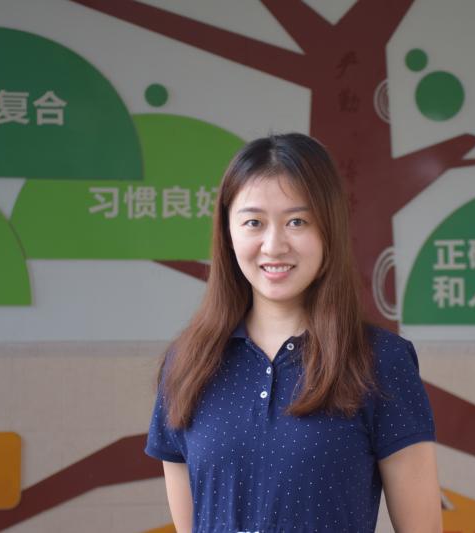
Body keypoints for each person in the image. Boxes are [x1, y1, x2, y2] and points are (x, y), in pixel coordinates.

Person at [145, 133, 441, 532]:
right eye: (253, 222)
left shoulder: (380, 361)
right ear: (228, 233)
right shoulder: (187, 364)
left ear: (329, 229)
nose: (273, 245)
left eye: (297, 222)